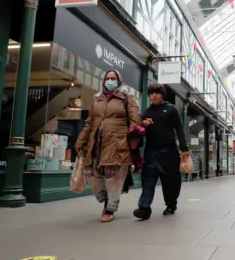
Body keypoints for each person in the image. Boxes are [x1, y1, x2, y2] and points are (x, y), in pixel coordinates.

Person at [75, 70, 142, 223]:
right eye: (108, 78)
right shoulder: (97, 99)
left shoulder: (127, 98)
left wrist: (132, 140)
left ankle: (110, 207)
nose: (110, 81)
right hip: (96, 143)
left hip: (118, 143)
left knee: (115, 177)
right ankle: (105, 198)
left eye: (113, 78)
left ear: (119, 81)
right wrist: (81, 141)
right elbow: (90, 122)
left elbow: (135, 121)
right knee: (91, 173)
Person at [133, 83, 189, 220]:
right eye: (151, 93)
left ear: (162, 95)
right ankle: (144, 208)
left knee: (170, 181)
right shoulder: (146, 113)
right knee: (148, 180)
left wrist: (184, 148)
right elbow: (140, 133)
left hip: (169, 151)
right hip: (151, 152)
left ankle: (171, 204)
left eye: (157, 93)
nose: (154, 95)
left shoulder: (171, 109)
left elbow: (179, 129)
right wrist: (142, 126)